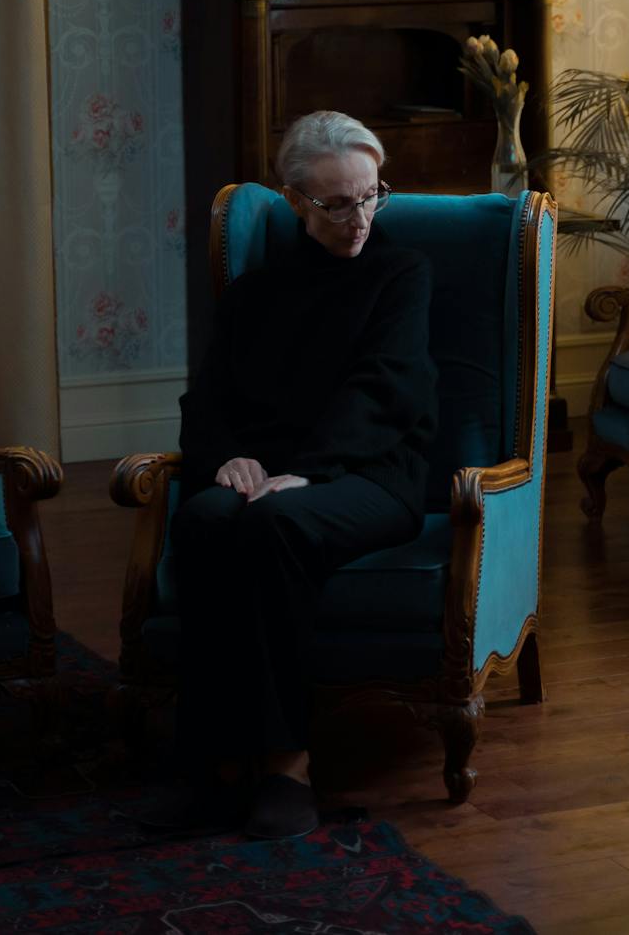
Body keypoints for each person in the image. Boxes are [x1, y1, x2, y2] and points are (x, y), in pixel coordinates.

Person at [154, 110, 437, 839]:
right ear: (294, 202)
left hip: (373, 474)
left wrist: (308, 472)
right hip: (273, 475)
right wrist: (225, 458)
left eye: (370, 195)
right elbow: (208, 395)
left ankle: (287, 763)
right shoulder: (255, 291)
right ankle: (216, 760)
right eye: (337, 203)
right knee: (205, 519)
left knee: (276, 523)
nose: (358, 216)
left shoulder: (401, 273)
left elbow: (385, 389)